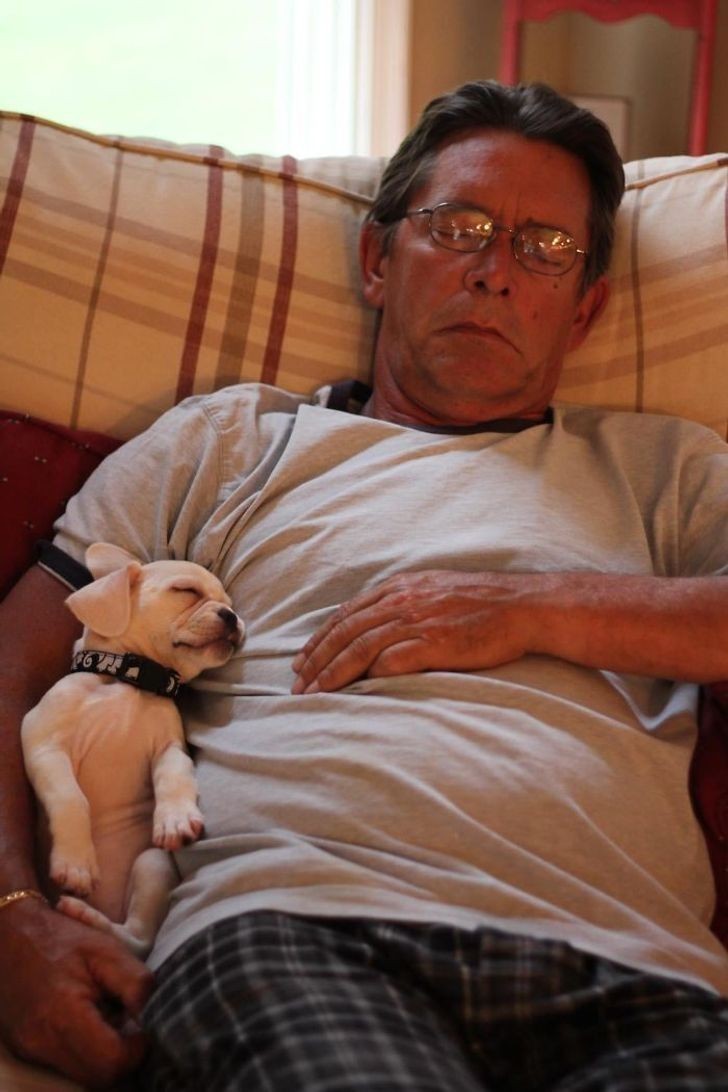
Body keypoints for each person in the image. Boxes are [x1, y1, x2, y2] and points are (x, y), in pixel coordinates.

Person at [1, 79, 728, 1091]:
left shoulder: (666, 470)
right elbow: (15, 664)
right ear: (378, 259)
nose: (494, 273)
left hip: (637, 970)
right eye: (460, 228)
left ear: (585, 309)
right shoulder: (229, 441)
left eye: (545, 249)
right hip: (295, 927)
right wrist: (10, 921)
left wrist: (528, 610)